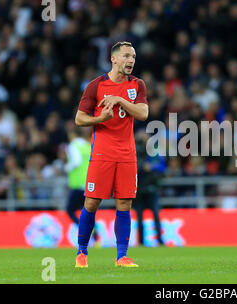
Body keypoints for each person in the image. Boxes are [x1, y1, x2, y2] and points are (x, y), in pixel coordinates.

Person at [74, 41, 148, 268]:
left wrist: (121, 100)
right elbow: (79, 119)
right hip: (102, 153)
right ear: (113, 59)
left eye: (133, 56)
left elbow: (144, 113)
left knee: (124, 203)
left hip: (127, 154)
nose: (131, 60)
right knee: (92, 202)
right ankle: (82, 253)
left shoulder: (137, 84)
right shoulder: (96, 86)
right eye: (126, 56)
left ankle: (121, 256)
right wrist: (99, 119)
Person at [64, 127, 99, 245]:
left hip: (78, 184)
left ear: (73, 134)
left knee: (70, 210)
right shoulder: (87, 145)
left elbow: (76, 161)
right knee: (88, 210)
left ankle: (88, 231)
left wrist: (66, 168)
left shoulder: (73, 145)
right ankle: (94, 234)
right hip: (90, 183)